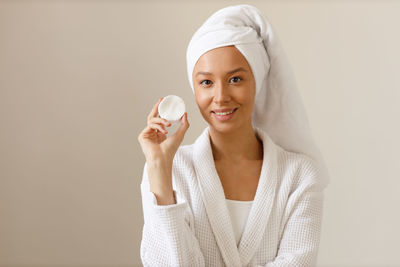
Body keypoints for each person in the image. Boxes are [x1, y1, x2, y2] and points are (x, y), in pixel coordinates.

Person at [137, 4, 330, 267]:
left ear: (257, 81)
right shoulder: (172, 170)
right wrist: (159, 170)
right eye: (206, 82)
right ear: (194, 88)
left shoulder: (299, 175)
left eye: (236, 79)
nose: (221, 97)